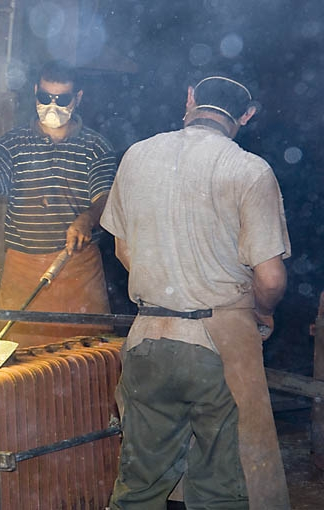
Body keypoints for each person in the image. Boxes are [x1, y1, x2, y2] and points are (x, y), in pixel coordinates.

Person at [100, 75, 291, 509]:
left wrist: (168, 285)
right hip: (219, 342)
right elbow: (272, 278)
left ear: (190, 99)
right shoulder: (249, 169)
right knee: (221, 481)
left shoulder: (137, 155)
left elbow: (123, 248)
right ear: (246, 116)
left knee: (141, 479)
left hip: (149, 335)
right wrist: (263, 310)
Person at [0, 59, 117, 347]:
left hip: (77, 271)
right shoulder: (13, 144)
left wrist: (87, 218)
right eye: (45, 97)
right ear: (35, 92)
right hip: (22, 270)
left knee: (88, 360)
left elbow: (105, 198)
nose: (52, 106)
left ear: (78, 98)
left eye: (62, 99)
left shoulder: (96, 148)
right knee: (20, 364)